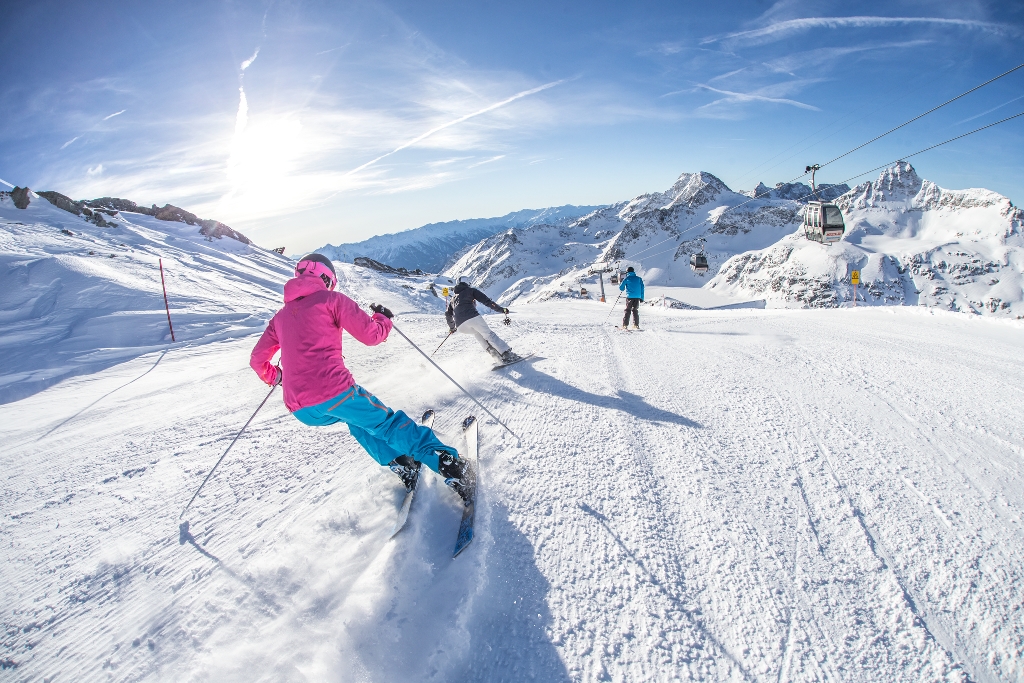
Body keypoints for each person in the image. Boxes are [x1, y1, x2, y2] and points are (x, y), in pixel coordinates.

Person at [250, 254, 472, 501]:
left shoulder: (280, 317)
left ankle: (402, 462)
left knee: (357, 421)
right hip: (334, 392)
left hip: (301, 410)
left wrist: (277, 377)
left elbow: (257, 360)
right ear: (325, 277)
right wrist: (383, 319)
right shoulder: (332, 300)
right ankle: (450, 464)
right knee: (387, 423)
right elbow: (371, 336)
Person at [445, 276, 521, 364]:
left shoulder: (452, 299)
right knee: (489, 335)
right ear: (468, 283)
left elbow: (448, 314)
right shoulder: (471, 291)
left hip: (461, 327)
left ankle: (496, 356)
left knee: (478, 333)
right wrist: (501, 309)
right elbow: (487, 302)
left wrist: (452, 327)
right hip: (472, 317)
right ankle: (507, 355)